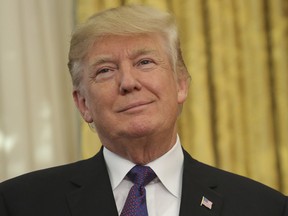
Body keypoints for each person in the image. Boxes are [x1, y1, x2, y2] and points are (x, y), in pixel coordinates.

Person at [0, 4, 287, 216]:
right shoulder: (18, 203)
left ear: (181, 84)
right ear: (83, 104)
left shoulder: (265, 207)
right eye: (105, 70)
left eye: (145, 62)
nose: (128, 82)